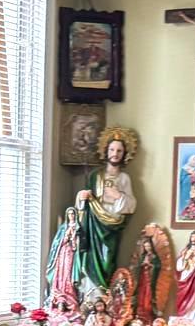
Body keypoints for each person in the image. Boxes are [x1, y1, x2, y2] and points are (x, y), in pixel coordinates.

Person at [71, 126, 138, 295]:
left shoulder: (124, 178)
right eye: (112, 149)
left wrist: (117, 196)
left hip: (112, 227)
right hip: (93, 225)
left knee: (107, 261)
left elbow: (131, 204)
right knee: (91, 259)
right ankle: (90, 297)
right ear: (106, 151)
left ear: (124, 154)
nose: (115, 153)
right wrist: (82, 196)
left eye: (119, 151)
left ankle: (105, 296)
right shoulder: (95, 175)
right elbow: (83, 203)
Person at [45, 205, 81, 313]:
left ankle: (67, 295)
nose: (71, 216)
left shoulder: (78, 228)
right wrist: (66, 236)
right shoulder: (63, 227)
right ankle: (58, 295)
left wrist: (74, 237)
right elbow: (57, 242)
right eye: (69, 214)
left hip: (71, 253)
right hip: (62, 252)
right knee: (60, 272)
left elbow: (77, 246)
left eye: (73, 213)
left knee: (67, 274)